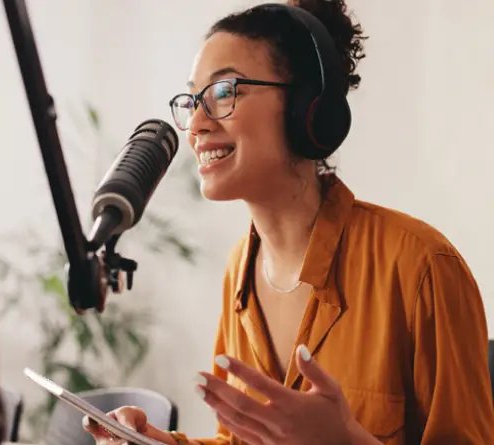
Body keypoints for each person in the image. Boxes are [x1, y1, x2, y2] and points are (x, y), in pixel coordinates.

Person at [83, 0, 494, 444]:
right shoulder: (240, 269)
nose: (196, 124)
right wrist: (159, 443)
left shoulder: (420, 268)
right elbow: (241, 440)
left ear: (306, 109)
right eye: (193, 100)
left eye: (224, 92)